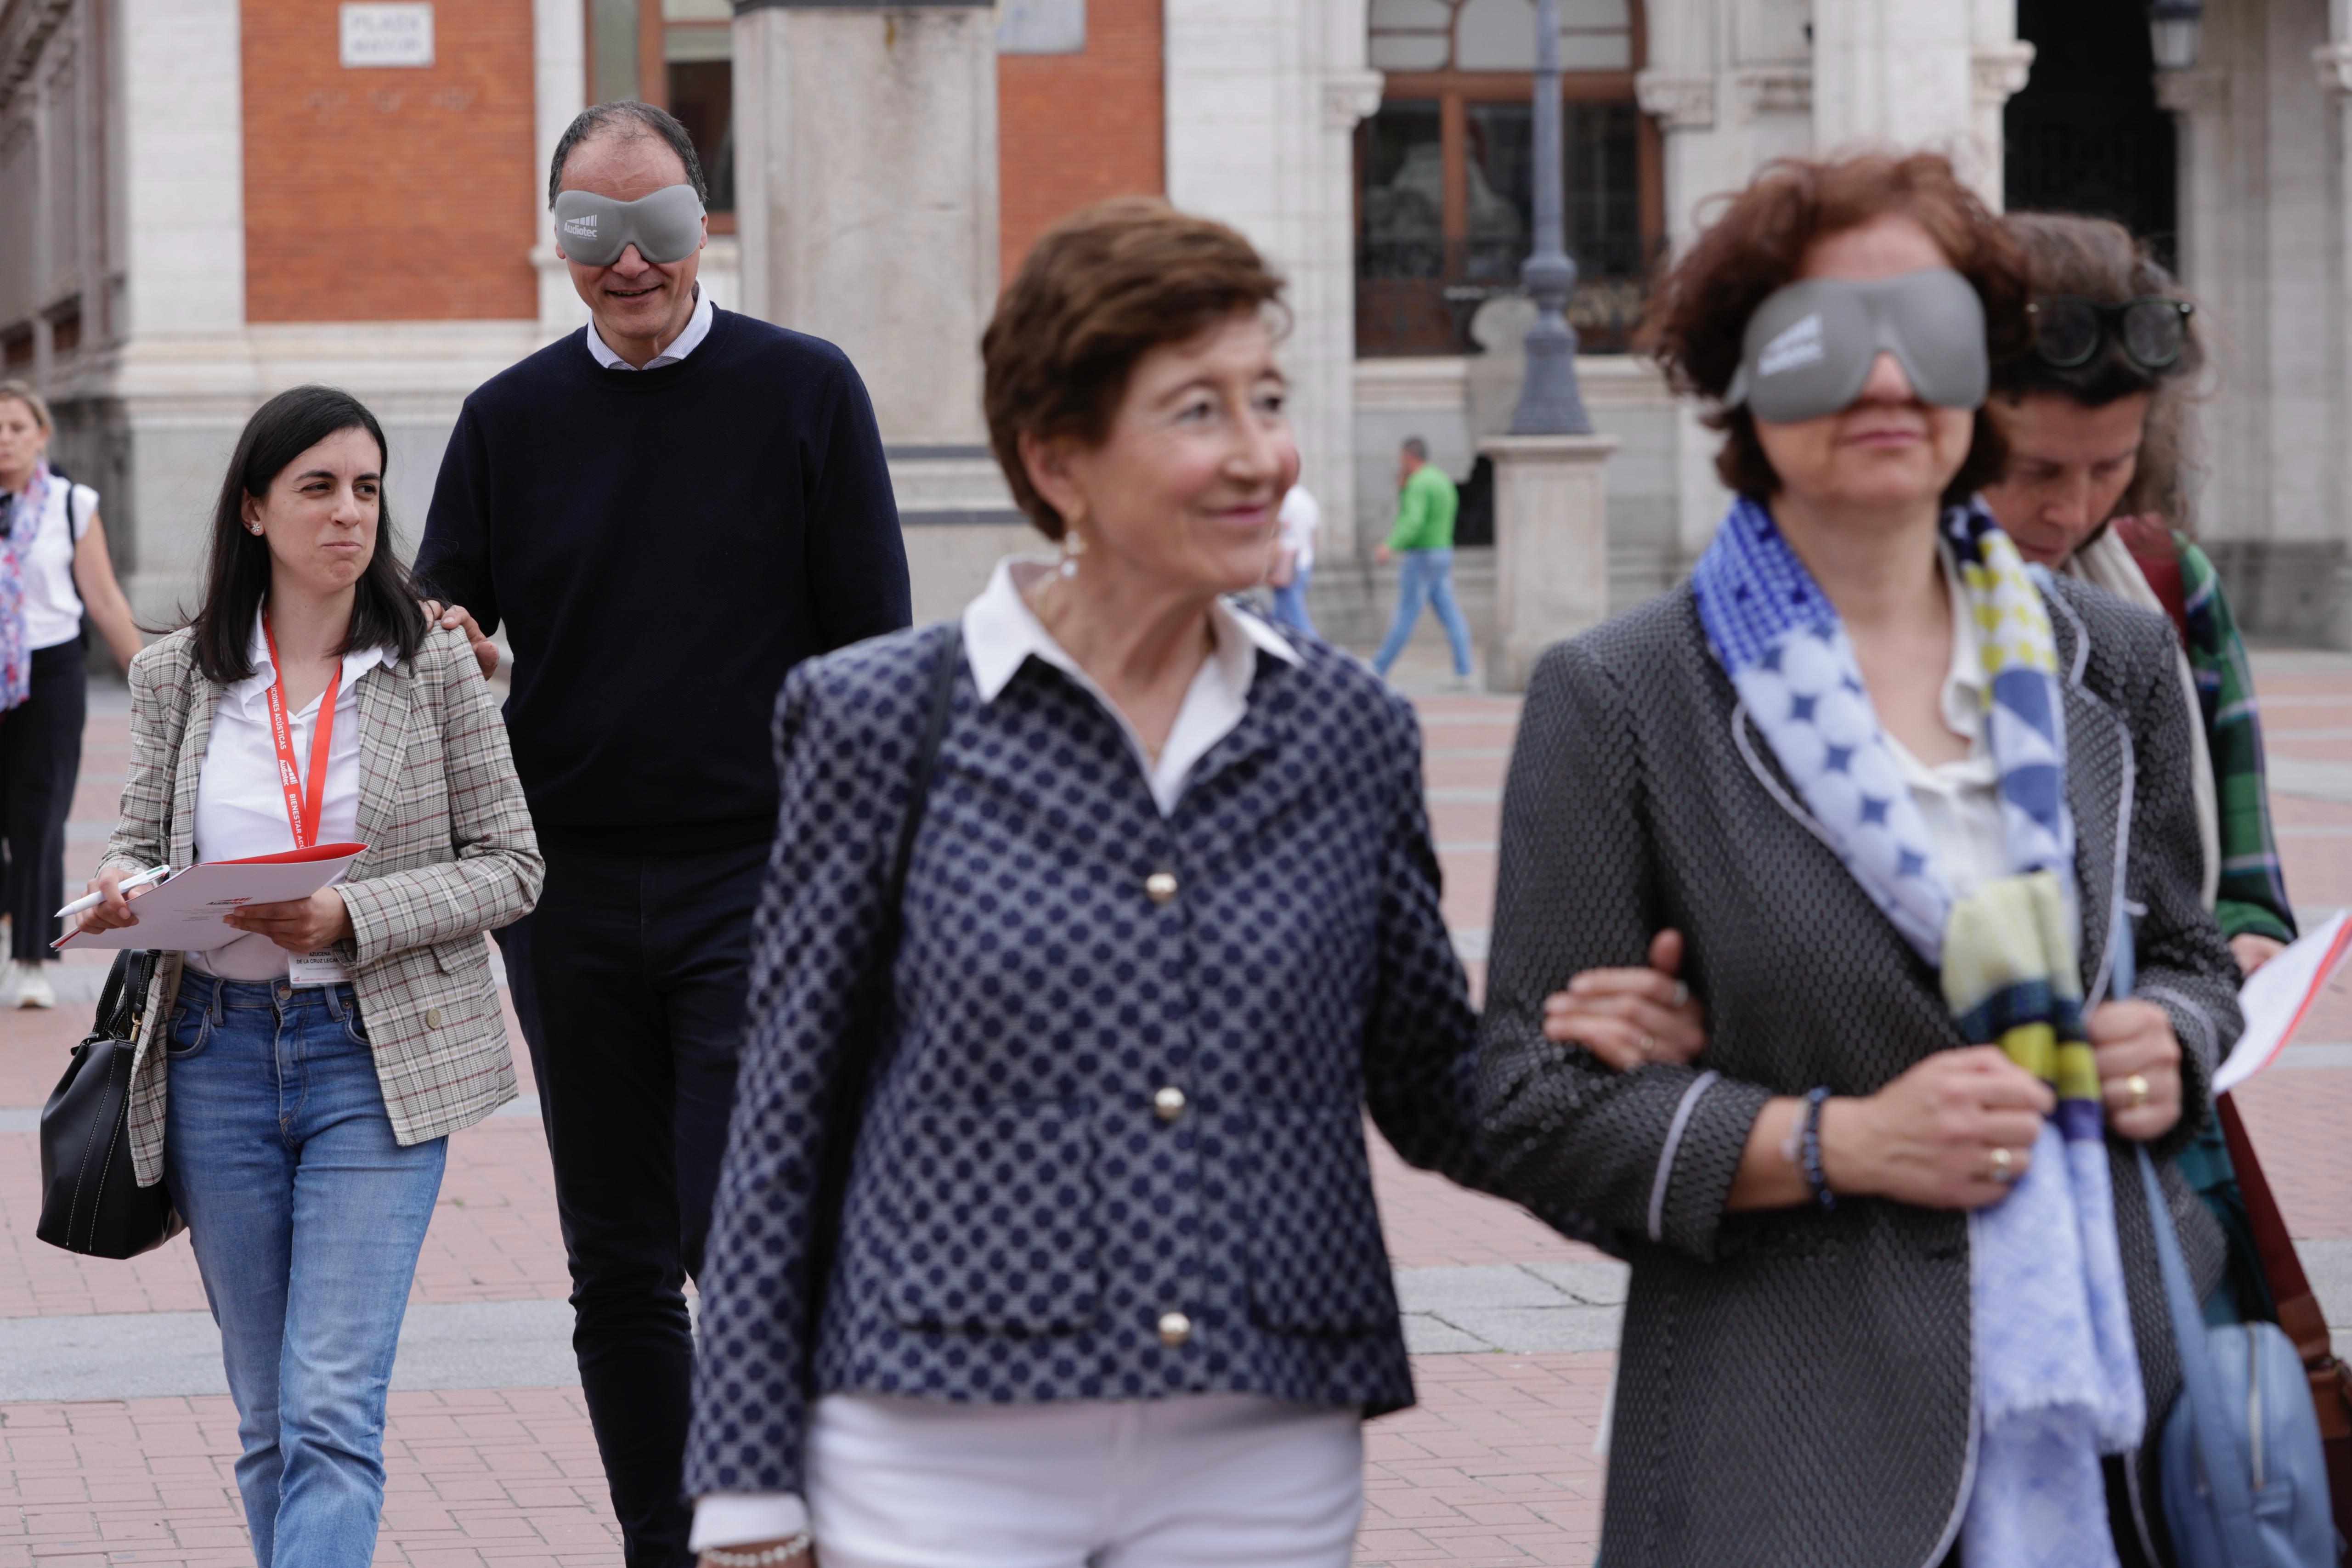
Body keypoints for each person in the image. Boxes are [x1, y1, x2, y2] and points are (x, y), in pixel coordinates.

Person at [680, 196, 1597, 1568]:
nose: (1259, 455)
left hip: (1263, 1439)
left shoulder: (1345, 728)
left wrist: (1674, 1138)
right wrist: (745, 1487)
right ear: (1058, 459)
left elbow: (1430, 1079)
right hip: (935, 1439)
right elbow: (784, 1112)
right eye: (1197, 411)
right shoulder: (880, 717)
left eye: (1267, 400)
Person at [1477, 153, 2242, 1568]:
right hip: (1800, 1442)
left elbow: (2191, 954)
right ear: (1737, 379)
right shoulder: (1625, 693)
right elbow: (1525, 1105)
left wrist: (2172, 1038)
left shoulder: (2112, 660)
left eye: (1932, 329)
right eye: (1826, 337)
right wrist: (1835, 1141)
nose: (1886, 378)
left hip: (2119, 1417)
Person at [414, 100, 910, 1568]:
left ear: (705, 220)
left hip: (757, 880)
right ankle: (664, 1543)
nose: (628, 261)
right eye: (593, 229)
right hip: (564, 893)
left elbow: (873, 654)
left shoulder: (806, 389)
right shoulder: (508, 418)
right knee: (616, 1260)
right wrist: (449, 639)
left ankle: (795, 1520)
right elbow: (442, 612)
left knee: (732, 1225)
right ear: (558, 238)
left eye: (657, 225)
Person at [73, 385, 542, 1568]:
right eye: (318, 487)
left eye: (368, 488)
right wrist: (127, 885)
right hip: (212, 1053)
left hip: (374, 1061)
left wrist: (349, 914)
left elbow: (512, 864)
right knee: (271, 1416)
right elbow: (136, 836)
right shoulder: (179, 674)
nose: (350, 513)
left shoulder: (433, 665)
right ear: (253, 509)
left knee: (330, 1403)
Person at [1979, 210, 2291, 1325]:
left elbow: (2241, 882)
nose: (2069, 510)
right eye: (2032, 471)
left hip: (2151, 1144)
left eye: (2108, 467)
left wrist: (2227, 961)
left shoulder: (2162, 583)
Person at [0, 381, 142, 1007]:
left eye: (16, 427)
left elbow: (104, 597)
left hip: (50, 672)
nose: (5, 440)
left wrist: (150, 676)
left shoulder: (70, 504)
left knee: (39, 814)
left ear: (41, 435)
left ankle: (31, 958)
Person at [1370, 437, 1474, 681]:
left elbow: (1413, 520)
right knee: (1450, 613)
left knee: (1406, 613)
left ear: (1409, 457)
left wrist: (1390, 545)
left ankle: (1378, 667)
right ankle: (1464, 670)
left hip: (1422, 554)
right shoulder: (1441, 479)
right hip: (1442, 551)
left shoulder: (1418, 483)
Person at [1267, 481, 1319, 632]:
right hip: (1305, 560)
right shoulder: (1308, 498)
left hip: (1286, 564)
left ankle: (1314, 646)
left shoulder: (1286, 499)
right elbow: (1315, 533)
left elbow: (1278, 534)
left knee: (1296, 619)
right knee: (1281, 617)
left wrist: (1271, 565)